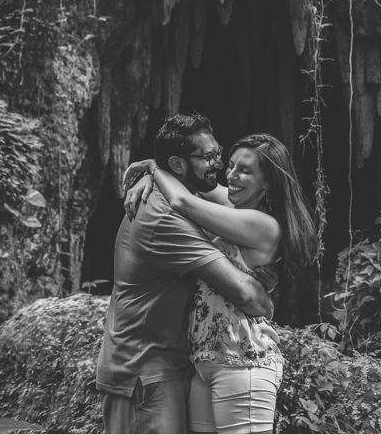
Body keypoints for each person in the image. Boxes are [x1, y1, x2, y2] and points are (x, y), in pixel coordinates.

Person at [123, 133, 319, 434]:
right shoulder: (233, 207)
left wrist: (153, 167)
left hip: (244, 362)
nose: (231, 175)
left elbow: (182, 200)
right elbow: (197, 188)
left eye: (245, 170)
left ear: (268, 183)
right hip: (204, 361)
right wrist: (149, 177)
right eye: (230, 166)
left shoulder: (263, 224)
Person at [95, 114, 275, 434]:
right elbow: (247, 295)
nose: (219, 166)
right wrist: (265, 301)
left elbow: (206, 198)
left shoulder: (181, 199)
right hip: (143, 371)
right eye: (208, 158)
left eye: (217, 153)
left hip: (162, 367)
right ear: (178, 165)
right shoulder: (164, 216)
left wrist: (154, 169)